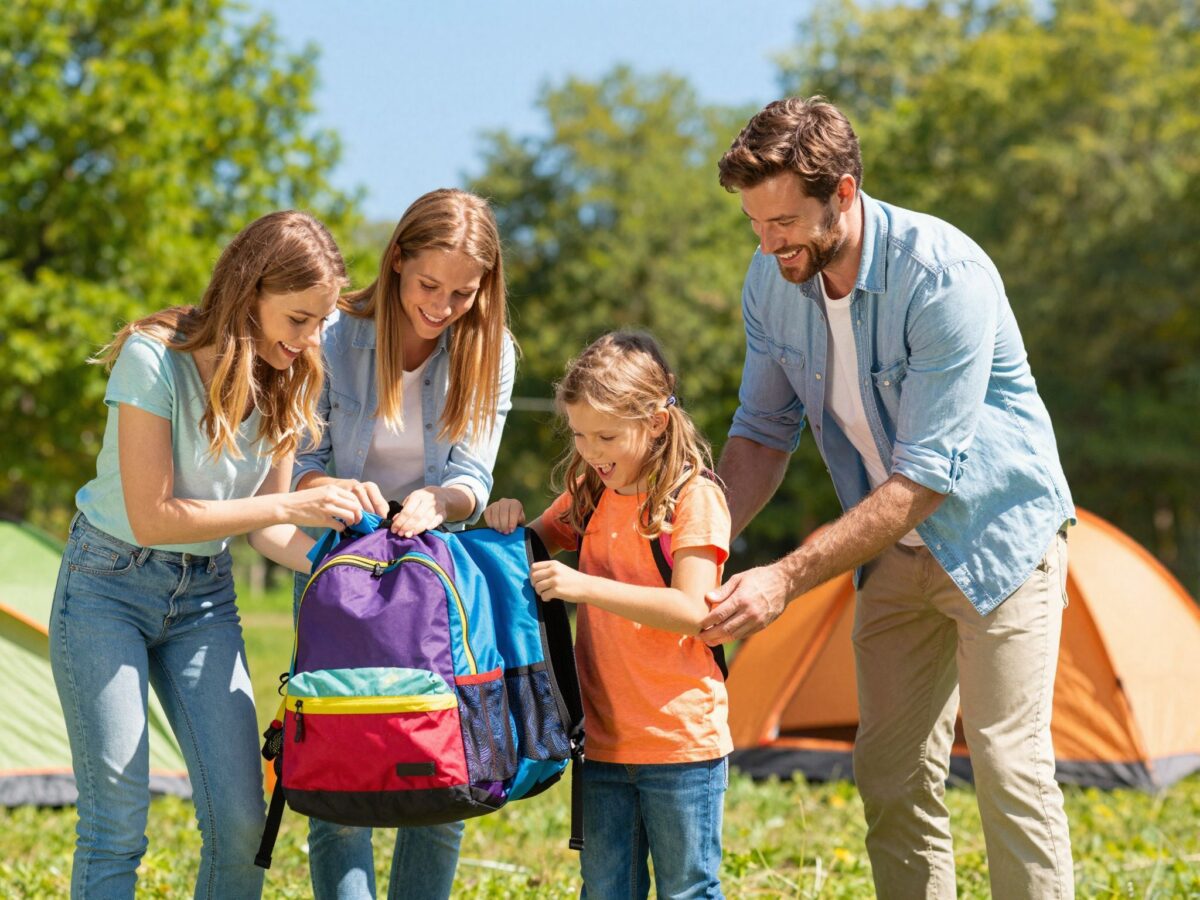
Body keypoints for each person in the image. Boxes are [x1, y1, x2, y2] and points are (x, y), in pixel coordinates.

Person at [699, 96, 1076, 898]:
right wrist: (701, 542)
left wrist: (783, 579)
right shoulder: (770, 284)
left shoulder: (943, 276)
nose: (769, 244)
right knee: (890, 772)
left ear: (842, 192)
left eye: (784, 223)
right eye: (755, 225)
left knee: (1010, 764)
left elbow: (924, 479)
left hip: (997, 539)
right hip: (894, 555)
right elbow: (763, 431)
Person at [49, 210, 363, 899]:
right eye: (299, 318)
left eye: (321, 323)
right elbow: (154, 515)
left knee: (245, 824)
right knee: (118, 818)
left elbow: (271, 535)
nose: (311, 339)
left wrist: (353, 570)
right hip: (107, 587)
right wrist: (288, 506)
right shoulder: (153, 359)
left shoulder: (292, 375)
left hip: (205, 599)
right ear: (251, 292)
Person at [291, 188, 515, 900]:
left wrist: (437, 499)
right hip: (344, 566)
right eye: (428, 285)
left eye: (462, 292)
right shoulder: (331, 334)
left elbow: (472, 477)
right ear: (396, 263)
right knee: (340, 766)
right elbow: (299, 454)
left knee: (439, 770)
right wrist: (333, 489)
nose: (443, 306)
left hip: (429, 575)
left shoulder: (491, 348)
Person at [485, 331, 732, 899]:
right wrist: (507, 517)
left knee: (687, 890)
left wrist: (583, 586)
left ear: (656, 422)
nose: (593, 452)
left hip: (680, 744)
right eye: (579, 435)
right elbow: (527, 546)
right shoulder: (590, 492)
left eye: (606, 436)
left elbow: (694, 609)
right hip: (599, 741)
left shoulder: (693, 499)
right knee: (604, 890)